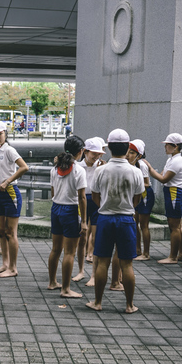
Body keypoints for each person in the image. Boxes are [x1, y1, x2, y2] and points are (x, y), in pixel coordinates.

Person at [86, 129, 144, 314]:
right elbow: (138, 199)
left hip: (105, 218)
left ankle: (97, 302)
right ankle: (129, 305)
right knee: (127, 264)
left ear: (109, 147)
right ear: (127, 148)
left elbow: (95, 196)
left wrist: (106, 205)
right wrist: (127, 208)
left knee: (102, 262)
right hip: (127, 219)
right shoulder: (135, 171)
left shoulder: (101, 170)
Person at [47, 135, 87, 297]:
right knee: (69, 252)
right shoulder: (78, 170)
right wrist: (84, 221)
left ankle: (52, 282)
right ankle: (65, 289)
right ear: (81, 152)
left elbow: (52, 192)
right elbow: (82, 198)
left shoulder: (55, 168)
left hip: (56, 208)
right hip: (70, 211)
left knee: (56, 249)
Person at [143, 133, 182, 264]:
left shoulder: (177, 161)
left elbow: (163, 178)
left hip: (175, 192)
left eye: (167, 145)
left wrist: (149, 168)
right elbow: (162, 175)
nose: (165, 148)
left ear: (175, 147)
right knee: (177, 226)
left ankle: (173, 256)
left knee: (174, 226)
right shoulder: (172, 159)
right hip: (171, 192)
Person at [0, 120, 29, 278]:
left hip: (11, 192)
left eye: (0, 134)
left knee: (11, 232)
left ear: (5, 134)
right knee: (1, 231)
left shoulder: (9, 150)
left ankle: (13, 267)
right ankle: (5, 264)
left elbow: (24, 167)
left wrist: (7, 181)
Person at [73, 137, 105, 284]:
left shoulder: (102, 167)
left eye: (99, 154)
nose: (96, 157)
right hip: (82, 200)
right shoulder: (78, 166)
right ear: (85, 152)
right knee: (82, 237)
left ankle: (93, 275)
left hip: (97, 201)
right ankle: (80, 271)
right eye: (94, 154)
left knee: (97, 237)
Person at [126, 139, 154, 261]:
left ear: (139, 155)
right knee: (135, 223)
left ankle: (146, 253)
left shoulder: (141, 164)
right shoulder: (130, 164)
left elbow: (146, 183)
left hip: (145, 195)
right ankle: (137, 249)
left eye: (132, 152)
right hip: (136, 194)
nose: (128, 154)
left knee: (144, 225)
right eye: (128, 151)